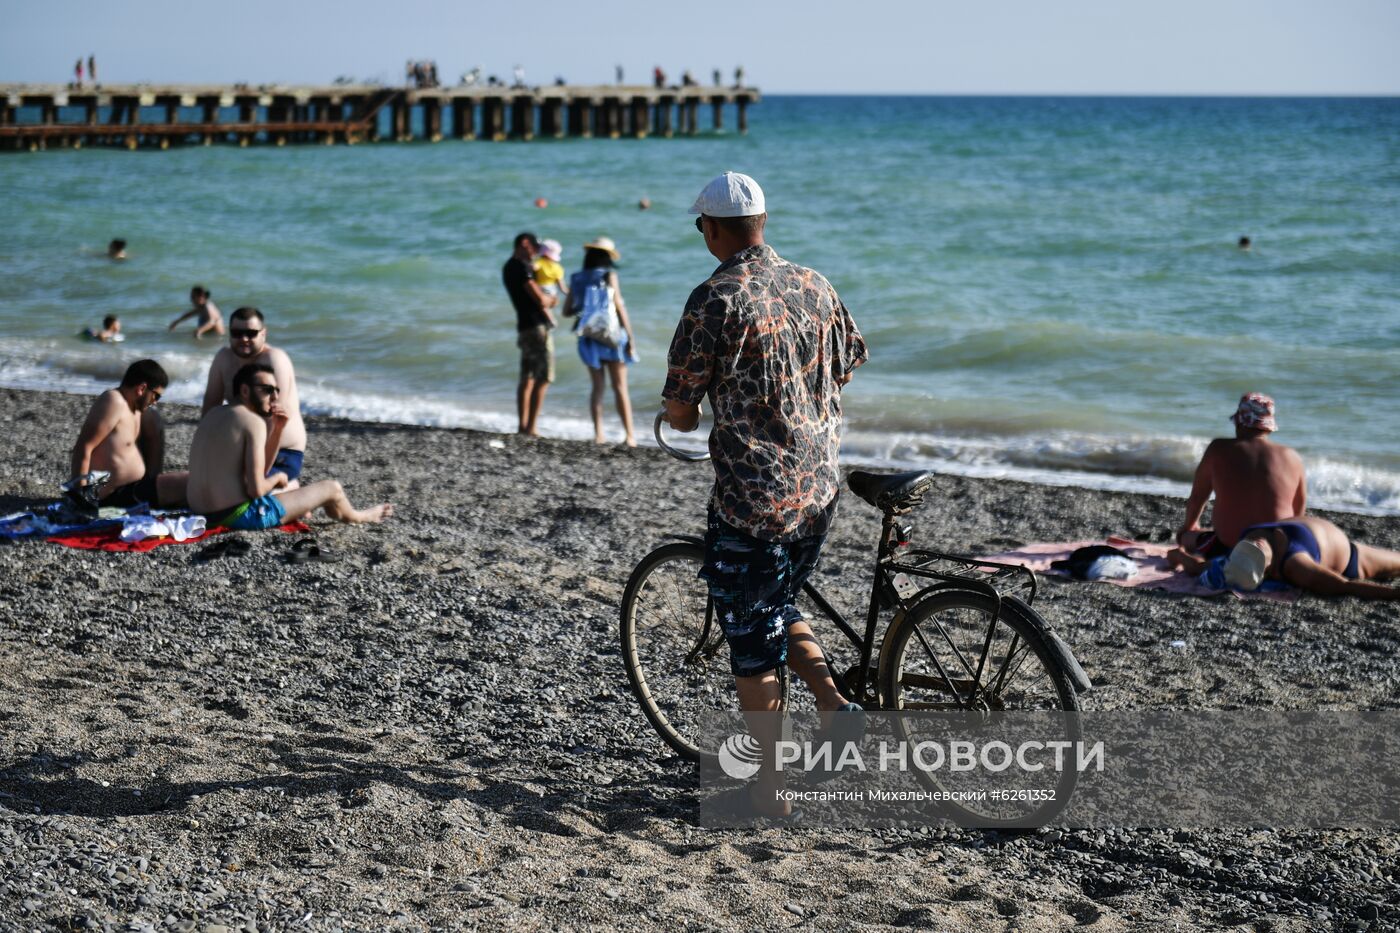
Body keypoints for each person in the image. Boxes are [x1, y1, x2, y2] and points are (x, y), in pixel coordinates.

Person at [663, 172, 868, 818]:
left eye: (701, 225)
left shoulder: (713, 299)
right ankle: (836, 709)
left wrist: (686, 415)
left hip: (755, 501)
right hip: (818, 488)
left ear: (713, 229)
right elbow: (847, 362)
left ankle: (770, 790)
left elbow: (681, 409)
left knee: (752, 639)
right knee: (775, 598)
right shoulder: (816, 284)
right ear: (765, 222)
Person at [188, 363, 391, 529]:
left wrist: (277, 430)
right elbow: (256, 489)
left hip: (200, 511)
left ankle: (331, 508)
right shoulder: (253, 422)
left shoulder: (214, 414)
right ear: (244, 390)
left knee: (293, 486)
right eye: (267, 390)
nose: (275, 397)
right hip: (236, 516)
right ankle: (359, 516)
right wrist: (277, 477)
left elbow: (253, 474)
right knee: (333, 488)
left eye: (277, 390)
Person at [1168, 392, 1306, 573]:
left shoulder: (1219, 448)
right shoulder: (1293, 457)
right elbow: (1299, 511)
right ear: (1269, 427)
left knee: (1187, 537)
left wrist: (1188, 526)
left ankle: (1191, 560)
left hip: (1229, 543)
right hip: (1275, 548)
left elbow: (1198, 497)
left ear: (1240, 422)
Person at [202, 307, 307, 490]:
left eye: (251, 333)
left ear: (263, 334)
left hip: (281, 452)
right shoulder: (224, 359)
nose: (244, 339)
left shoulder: (274, 360)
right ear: (229, 334)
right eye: (237, 333)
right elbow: (210, 407)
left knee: (242, 491)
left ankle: (291, 488)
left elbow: (274, 415)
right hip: (245, 448)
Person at [69, 359, 188, 508]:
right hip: (112, 497)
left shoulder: (136, 409)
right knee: (189, 483)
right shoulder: (114, 401)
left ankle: (153, 485)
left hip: (133, 490)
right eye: (156, 396)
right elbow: (84, 447)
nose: (156, 401)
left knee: (154, 418)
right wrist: (81, 500)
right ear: (142, 388)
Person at [565, 236, 638, 446]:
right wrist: (631, 338)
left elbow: (567, 310)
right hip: (612, 336)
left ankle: (599, 435)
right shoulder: (609, 275)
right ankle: (630, 436)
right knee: (620, 387)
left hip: (589, 338)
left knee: (597, 387)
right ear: (607, 257)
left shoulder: (576, 277)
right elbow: (619, 306)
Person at [1223, 515, 1400, 600]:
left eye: (1248, 546)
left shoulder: (1249, 538)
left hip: (1344, 543)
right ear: (1269, 570)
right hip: (1355, 560)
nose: (1255, 544)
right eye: (1257, 553)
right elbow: (1344, 586)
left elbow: (1201, 566)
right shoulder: (1296, 565)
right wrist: (1392, 594)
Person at [502, 231, 557, 436]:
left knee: (527, 377)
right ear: (525, 244)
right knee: (543, 377)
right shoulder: (521, 268)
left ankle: (523, 425)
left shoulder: (509, 267)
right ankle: (531, 427)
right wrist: (552, 299)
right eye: (535, 247)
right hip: (537, 327)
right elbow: (542, 300)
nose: (536, 253)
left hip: (524, 326)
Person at [533, 239, 568, 312]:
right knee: (550, 305)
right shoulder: (558, 268)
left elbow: (534, 267)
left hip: (541, 288)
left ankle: (549, 318)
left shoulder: (540, 261)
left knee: (543, 307)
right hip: (553, 290)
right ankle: (550, 317)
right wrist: (569, 294)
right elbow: (562, 287)